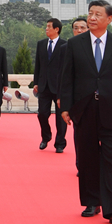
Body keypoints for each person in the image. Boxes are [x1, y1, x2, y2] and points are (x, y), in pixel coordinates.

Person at [61, 0, 112, 224]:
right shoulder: (75, 45)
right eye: (90, 14)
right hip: (84, 109)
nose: (92, 18)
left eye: (97, 14)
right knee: (87, 158)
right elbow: (67, 78)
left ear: (109, 19)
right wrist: (65, 107)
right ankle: (92, 201)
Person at [33, 18, 67, 152]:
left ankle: (60, 143)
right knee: (42, 114)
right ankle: (45, 137)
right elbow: (38, 65)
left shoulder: (65, 45)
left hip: (59, 87)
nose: (46, 29)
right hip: (44, 86)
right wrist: (36, 82)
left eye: (48, 26)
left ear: (56, 29)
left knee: (61, 117)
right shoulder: (41, 44)